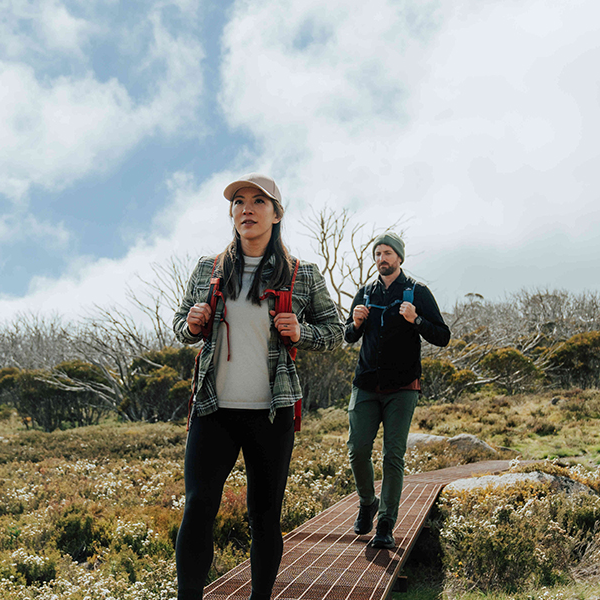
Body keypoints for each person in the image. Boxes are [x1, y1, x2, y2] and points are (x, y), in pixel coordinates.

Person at [173, 173, 342, 600]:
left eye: (258, 201)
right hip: (213, 411)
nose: (246, 209)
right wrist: (191, 325)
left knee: (264, 517)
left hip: (272, 413)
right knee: (197, 510)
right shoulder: (207, 269)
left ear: (277, 213)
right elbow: (181, 326)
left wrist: (301, 331)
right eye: (239, 202)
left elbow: (335, 331)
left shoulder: (303, 274)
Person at [344, 232, 451, 549]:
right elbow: (348, 336)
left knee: (393, 456)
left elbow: (442, 336)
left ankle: (385, 524)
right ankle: (367, 502)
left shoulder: (417, 291)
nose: (381, 258)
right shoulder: (365, 292)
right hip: (365, 384)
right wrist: (356, 323)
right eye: (377, 254)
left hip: (402, 388)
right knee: (357, 450)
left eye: (387, 253)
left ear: (399, 258)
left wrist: (415, 319)